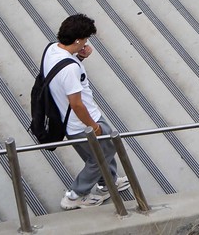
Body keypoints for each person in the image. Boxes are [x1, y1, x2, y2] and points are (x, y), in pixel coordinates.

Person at [41, 14, 132, 210]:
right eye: (86, 38)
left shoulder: (51, 49)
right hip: (82, 122)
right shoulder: (70, 70)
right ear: (78, 40)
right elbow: (77, 104)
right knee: (100, 156)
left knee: (102, 152)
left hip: (71, 123)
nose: (87, 41)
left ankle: (108, 182)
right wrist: (93, 125)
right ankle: (75, 195)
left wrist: (80, 56)